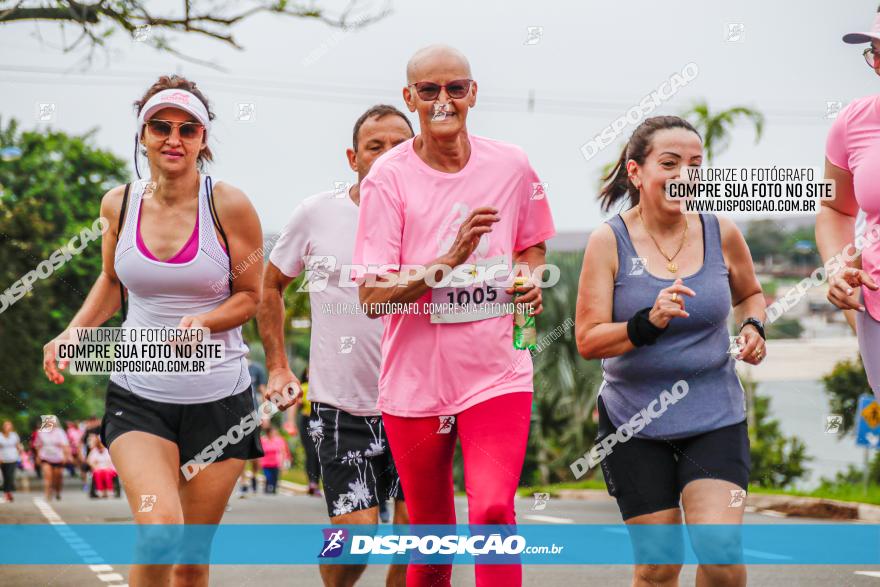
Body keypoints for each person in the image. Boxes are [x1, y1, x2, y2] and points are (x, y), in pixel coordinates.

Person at [41, 74, 264, 586]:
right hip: (140, 396)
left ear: (203, 140)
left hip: (221, 403)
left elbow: (251, 296)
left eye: (188, 129)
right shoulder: (117, 203)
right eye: (160, 126)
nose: (173, 138)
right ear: (142, 133)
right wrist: (74, 331)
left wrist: (206, 321)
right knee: (161, 531)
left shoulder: (228, 205)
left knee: (189, 560)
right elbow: (110, 280)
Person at [353, 46, 555, 587]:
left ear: (473, 93)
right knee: (432, 539)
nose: (443, 101)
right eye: (429, 91)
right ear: (409, 98)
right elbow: (373, 296)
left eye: (455, 89)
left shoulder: (511, 164)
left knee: (491, 513)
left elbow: (532, 244)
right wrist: (447, 262)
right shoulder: (387, 180)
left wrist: (528, 277)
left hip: (497, 372)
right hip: (416, 381)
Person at [575, 115, 766, 587]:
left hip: (715, 418)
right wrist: (648, 322)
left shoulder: (720, 230)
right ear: (636, 172)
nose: (685, 175)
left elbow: (750, 294)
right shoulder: (608, 241)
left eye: (696, 165)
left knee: (720, 556)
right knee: (659, 568)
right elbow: (587, 339)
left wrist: (755, 326)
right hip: (634, 424)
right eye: (670, 163)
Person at [259, 103, 414, 587]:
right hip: (341, 406)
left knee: (413, 548)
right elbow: (269, 286)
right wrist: (280, 366)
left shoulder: (435, 215)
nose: (389, 155)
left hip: (421, 404)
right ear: (353, 157)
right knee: (355, 542)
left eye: (401, 146)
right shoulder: (317, 213)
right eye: (375, 146)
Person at [817, 10, 880, 397]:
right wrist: (839, 268)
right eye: (875, 50)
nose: (878, 63)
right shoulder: (853, 122)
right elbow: (834, 209)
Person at [239, 352, 268, 497]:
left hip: (255, 413)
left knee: (255, 449)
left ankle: (255, 475)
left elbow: (263, 391)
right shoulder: (233, 367)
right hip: (237, 415)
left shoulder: (257, 369)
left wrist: (266, 414)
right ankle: (244, 482)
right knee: (239, 449)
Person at [295, 367, 322, 497]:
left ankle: (316, 482)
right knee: (310, 452)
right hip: (306, 420)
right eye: (308, 372)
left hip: (319, 421)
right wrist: (290, 423)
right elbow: (295, 405)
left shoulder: (322, 388)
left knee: (318, 453)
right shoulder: (303, 387)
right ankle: (312, 483)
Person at [33, 417, 71, 501]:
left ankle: (57, 491)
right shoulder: (41, 432)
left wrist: (66, 456)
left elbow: (65, 445)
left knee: (58, 476)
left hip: (58, 457)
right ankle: (47, 493)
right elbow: (38, 445)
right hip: (45, 457)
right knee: (48, 476)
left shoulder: (60, 432)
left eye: (52, 422)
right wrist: (38, 456)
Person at [259, 425, 290, 494]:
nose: (273, 433)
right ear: (268, 433)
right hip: (265, 463)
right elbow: (260, 451)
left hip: (275, 463)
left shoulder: (279, 440)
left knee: (275, 477)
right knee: (268, 476)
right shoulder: (263, 440)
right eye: (272, 432)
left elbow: (283, 451)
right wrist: (259, 461)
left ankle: (274, 489)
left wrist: (283, 462)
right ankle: (268, 487)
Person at [0, 420, 23, 502]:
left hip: (13, 458)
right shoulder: (0, 436)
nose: (8, 427)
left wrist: (20, 452)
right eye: (6, 425)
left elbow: (18, 445)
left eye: (9, 425)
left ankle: (8, 493)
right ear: (3, 427)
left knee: (10, 476)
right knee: (5, 477)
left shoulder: (14, 435)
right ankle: (7, 492)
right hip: (3, 459)